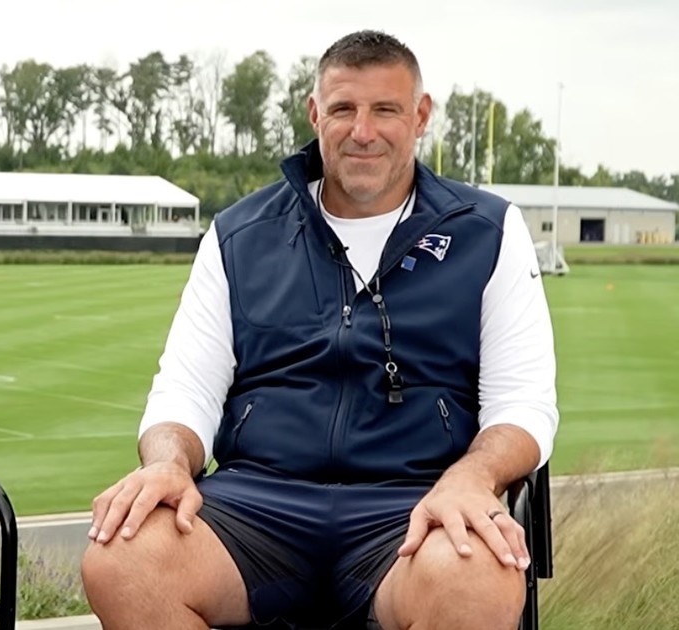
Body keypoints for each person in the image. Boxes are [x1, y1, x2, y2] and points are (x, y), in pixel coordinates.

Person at [81, 30, 558, 630]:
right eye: (343, 109)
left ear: (420, 116)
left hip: (416, 502)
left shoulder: (487, 230)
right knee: (122, 559)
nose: (363, 131)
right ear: (315, 114)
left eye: (385, 110)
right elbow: (185, 389)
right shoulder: (238, 233)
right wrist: (169, 463)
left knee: (479, 577)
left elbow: (523, 404)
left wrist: (474, 477)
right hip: (256, 503)